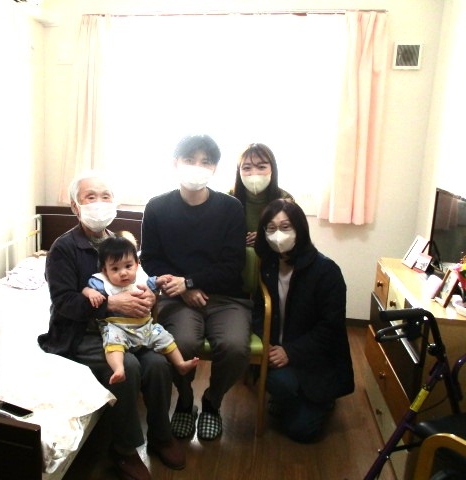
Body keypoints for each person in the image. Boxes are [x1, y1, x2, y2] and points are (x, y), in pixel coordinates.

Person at [37, 171, 185, 480]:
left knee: (158, 364)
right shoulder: (64, 249)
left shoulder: (118, 244)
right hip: (80, 334)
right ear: (76, 207)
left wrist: (150, 296)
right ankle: (125, 450)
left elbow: (138, 279)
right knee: (128, 366)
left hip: (127, 329)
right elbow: (64, 302)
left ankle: (161, 435)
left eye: (106, 196)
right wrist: (112, 305)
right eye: (90, 197)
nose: (100, 203)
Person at [140, 134, 251, 441]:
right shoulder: (157, 207)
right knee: (180, 343)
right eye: (189, 160)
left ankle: (213, 402)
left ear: (214, 168)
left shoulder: (230, 208)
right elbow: (150, 258)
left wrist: (190, 282)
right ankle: (185, 402)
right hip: (177, 298)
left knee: (235, 348)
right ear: (175, 163)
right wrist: (182, 289)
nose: (197, 167)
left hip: (226, 297)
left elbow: (233, 264)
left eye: (205, 162)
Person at [253, 198, 354, 443]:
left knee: (302, 431)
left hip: (314, 357)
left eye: (285, 227)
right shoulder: (267, 266)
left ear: (300, 229)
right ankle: (292, 397)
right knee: (277, 382)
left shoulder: (326, 271)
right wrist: (265, 342)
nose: (278, 234)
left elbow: (330, 328)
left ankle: (323, 399)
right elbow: (257, 311)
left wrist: (291, 352)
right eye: (271, 228)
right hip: (279, 352)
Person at [82, 234, 199, 384]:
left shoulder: (141, 278)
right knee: (112, 343)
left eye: (128, 266)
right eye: (115, 269)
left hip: (144, 325)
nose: (123, 272)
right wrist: (90, 293)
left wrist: (160, 280)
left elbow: (153, 283)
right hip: (117, 326)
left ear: (137, 264)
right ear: (105, 271)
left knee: (164, 337)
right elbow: (85, 289)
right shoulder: (101, 282)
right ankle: (118, 369)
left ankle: (180, 364)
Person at [231, 143, 294, 295]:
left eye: (261, 167)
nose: (254, 174)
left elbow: (295, 238)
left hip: (273, 261)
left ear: (272, 169)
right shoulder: (228, 199)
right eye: (247, 168)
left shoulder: (285, 200)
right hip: (235, 264)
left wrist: (266, 237)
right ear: (239, 171)